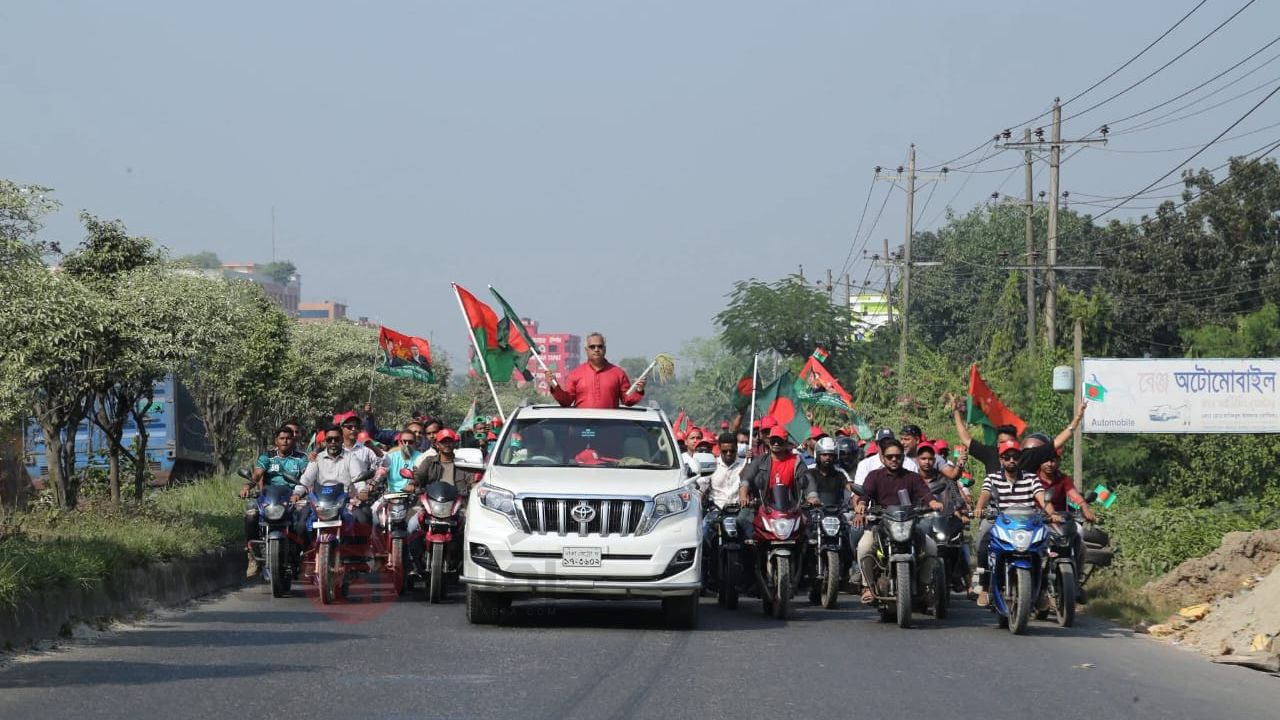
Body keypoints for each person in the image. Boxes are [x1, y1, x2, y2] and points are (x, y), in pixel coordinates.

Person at [970, 440, 1063, 606]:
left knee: (1047, 548)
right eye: (1007, 457)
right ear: (1001, 460)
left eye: (1015, 457)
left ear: (1020, 459)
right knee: (984, 543)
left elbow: (1042, 498)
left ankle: (1043, 590)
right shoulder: (992, 478)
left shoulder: (1031, 478)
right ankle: (985, 587)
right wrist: (979, 508)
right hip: (1001, 522)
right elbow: (985, 495)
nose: (1011, 460)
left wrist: (1053, 513)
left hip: (1029, 523)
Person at [852, 438, 944, 604]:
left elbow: (925, 493)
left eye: (898, 456)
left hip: (909, 524)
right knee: (863, 547)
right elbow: (864, 494)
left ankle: (923, 584)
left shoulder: (913, 477)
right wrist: (862, 505)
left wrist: (934, 503)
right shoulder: (874, 476)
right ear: (883, 458)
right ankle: (867, 587)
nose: (894, 459)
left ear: (903, 457)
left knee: (931, 547)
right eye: (890, 456)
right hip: (880, 524)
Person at [946, 393, 1087, 474]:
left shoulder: (1028, 456)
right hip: (997, 515)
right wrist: (956, 412)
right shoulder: (990, 454)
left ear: (1017, 443)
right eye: (1002, 444)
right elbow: (966, 438)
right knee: (984, 527)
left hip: (1025, 516)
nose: (1011, 460)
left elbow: (1057, 442)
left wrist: (1076, 419)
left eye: (1010, 444)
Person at [240, 425, 309, 577]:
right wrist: (247, 486)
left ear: (294, 440)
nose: (285, 441)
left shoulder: (301, 458)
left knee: (304, 519)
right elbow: (257, 475)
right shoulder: (267, 457)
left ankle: (303, 555)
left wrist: (308, 487)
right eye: (282, 438)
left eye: (288, 438)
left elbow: (307, 476)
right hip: (269, 498)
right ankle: (253, 556)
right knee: (251, 512)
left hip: (293, 498)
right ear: (276, 441)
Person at [1036, 449, 1095, 598]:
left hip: (1061, 520)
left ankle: (1076, 578)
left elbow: (1073, 494)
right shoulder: (1033, 478)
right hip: (1037, 520)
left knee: (1079, 533)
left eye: (1054, 460)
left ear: (1059, 462)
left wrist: (1085, 508)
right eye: (1047, 460)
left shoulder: (1064, 479)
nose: (1050, 464)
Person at [737, 425, 811, 534]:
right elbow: (746, 479)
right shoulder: (759, 461)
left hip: (791, 509)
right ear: (768, 441)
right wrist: (743, 495)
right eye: (773, 440)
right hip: (762, 507)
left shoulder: (796, 461)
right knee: (741, 520)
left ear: (786, 443)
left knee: (811, 526)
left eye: (779, 441)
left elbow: (808, 479)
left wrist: (812, 496)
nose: (776, 444)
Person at [548, 333, 646, 408]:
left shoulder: (618, 373)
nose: (596, 349)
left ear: (605, 349)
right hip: (581, 428)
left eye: (600, 346)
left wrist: (639, 390)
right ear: (586, 350)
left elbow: (627, 400)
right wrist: (554, 385)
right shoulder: (575, 374)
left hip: (609, 429)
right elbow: (566, 401)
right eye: (592, 347)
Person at [698, 433, 746, 552]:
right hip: (716, 511)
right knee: (703, 534)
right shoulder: (712, 464)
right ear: (719, 448)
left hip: (740, 511)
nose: (729, 454)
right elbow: (701, 488)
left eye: (732, 450)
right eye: (725, 451)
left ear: (736, 448)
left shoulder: (745, 464)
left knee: (752, 537)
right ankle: (704, 566)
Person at [853, 428, 920, 487]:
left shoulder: (909, 464)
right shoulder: (865, 465)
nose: (885, 446)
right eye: (882, 443)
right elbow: (858, 493)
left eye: (889, 442)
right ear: (876, 445)